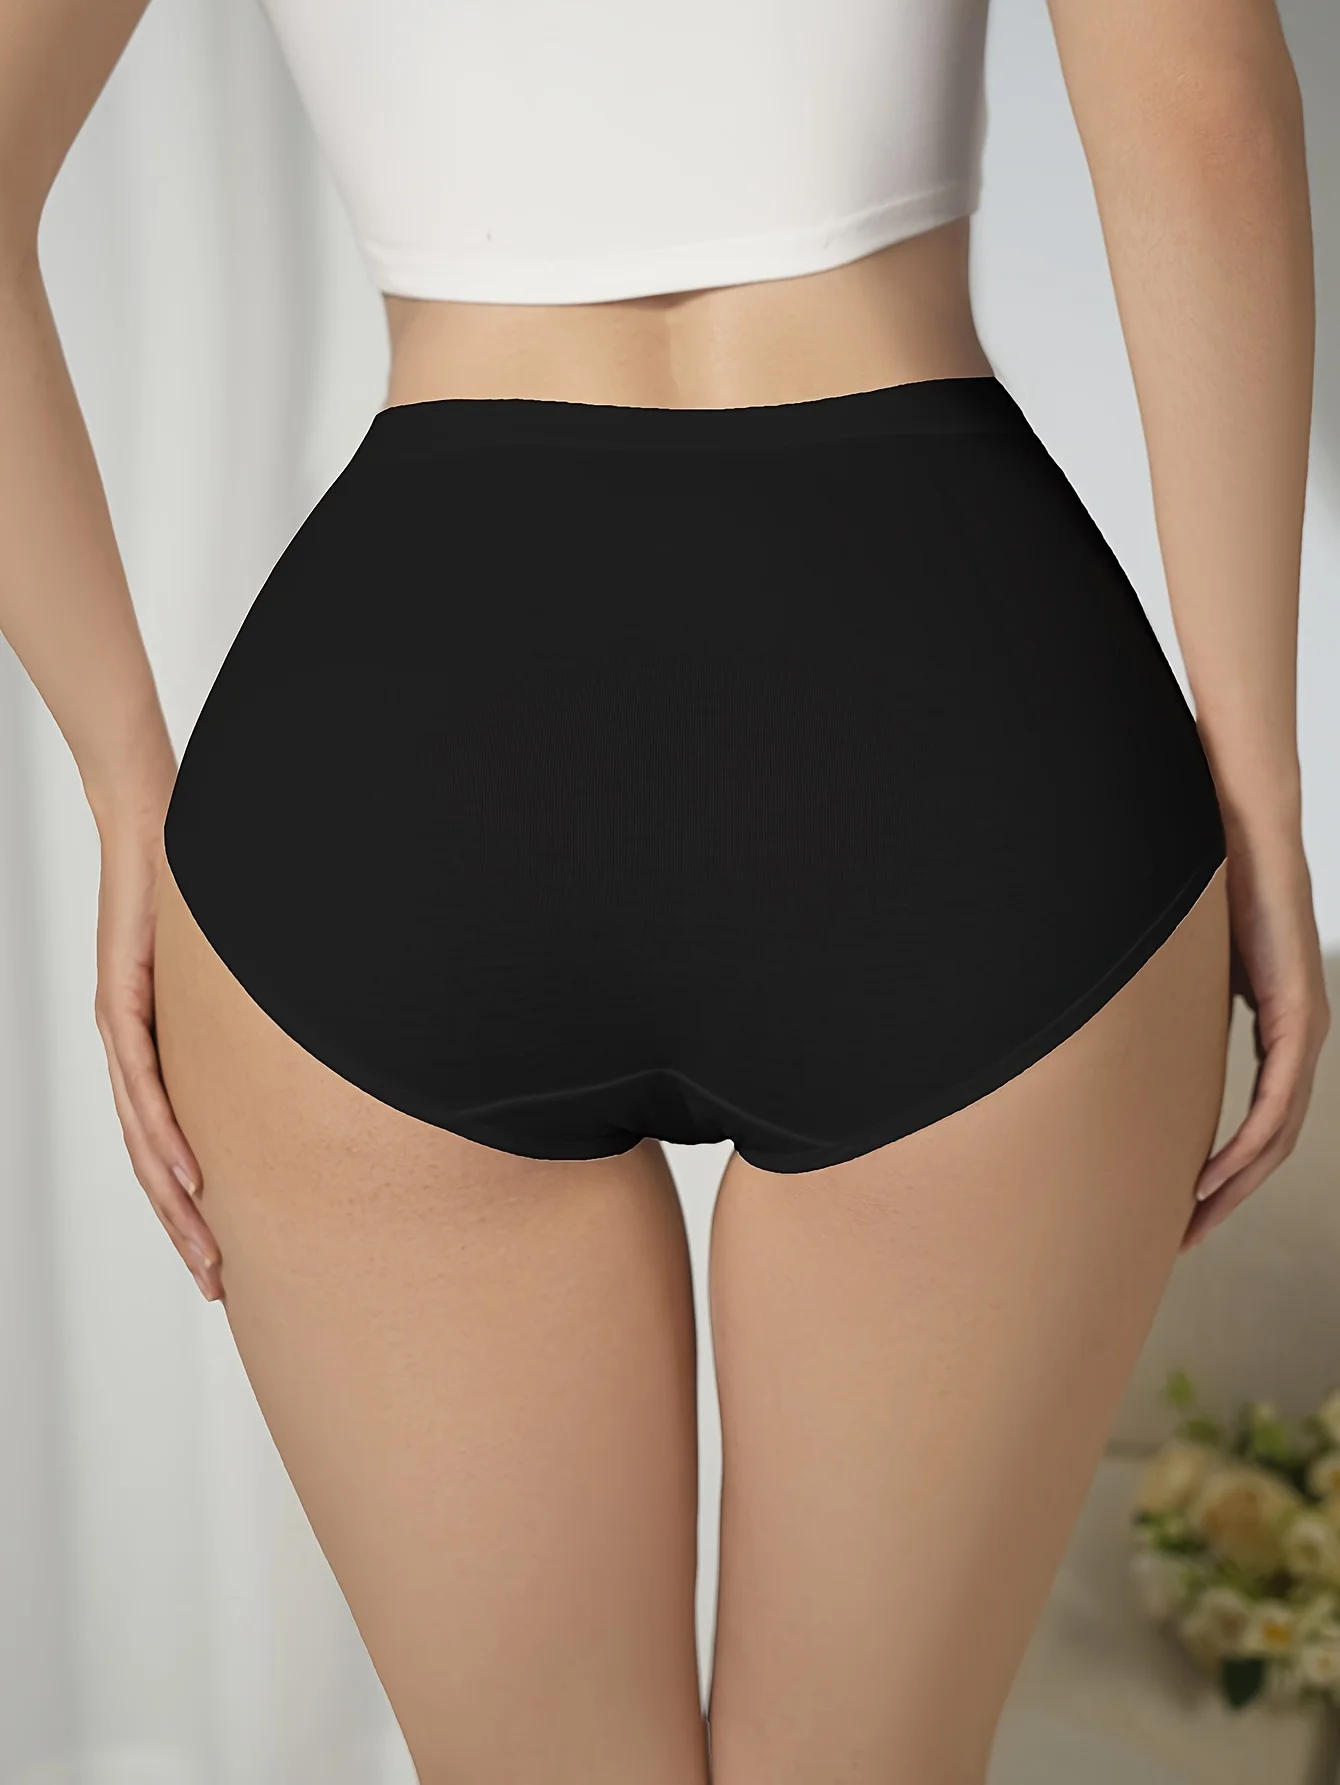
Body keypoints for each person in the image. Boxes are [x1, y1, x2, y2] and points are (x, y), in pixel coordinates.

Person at [0, 0, 1327, 1778]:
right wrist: (1260, 792)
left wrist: (123, 783)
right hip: (954, 701)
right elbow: (1204, 119)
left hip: (401, 757)